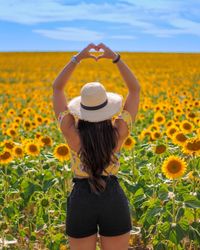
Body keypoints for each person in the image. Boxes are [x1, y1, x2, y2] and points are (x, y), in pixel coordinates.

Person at [52, 42, 141, 250]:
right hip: (112, 195)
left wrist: (78, 58)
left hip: (82, 198)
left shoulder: (72, 134)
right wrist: (115, 58)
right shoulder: (118, 133)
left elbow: (57, 88)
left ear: (82, 109)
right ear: (107, 109)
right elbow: (135, 90)